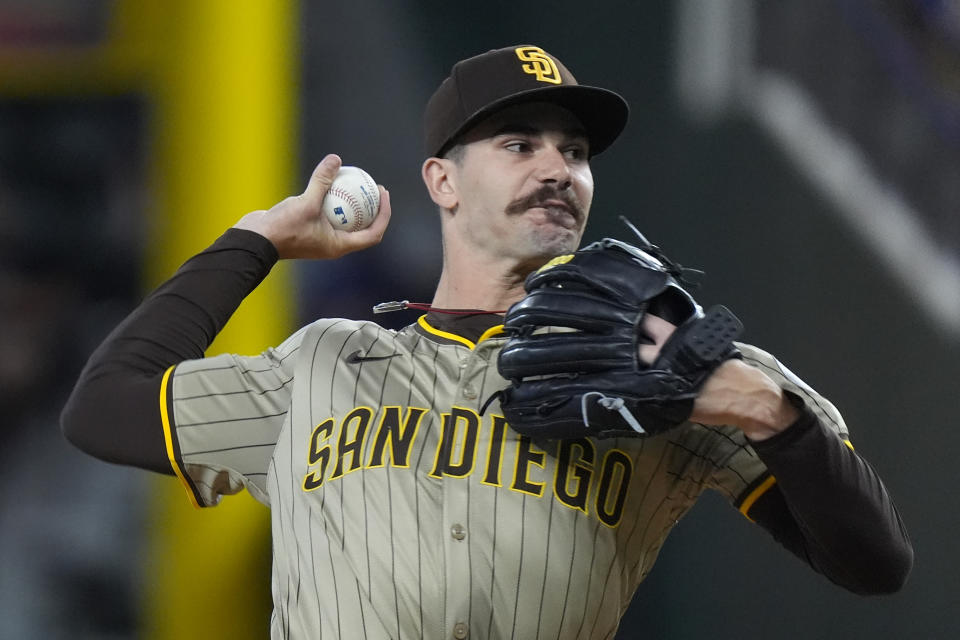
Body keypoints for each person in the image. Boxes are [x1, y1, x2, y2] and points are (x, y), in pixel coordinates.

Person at [62, 45, 912, 639]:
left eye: (575, 152)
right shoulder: (319, 364)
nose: (557, 169)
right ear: (442, 179)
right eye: (519, 144)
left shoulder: (665, 358)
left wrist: (766, 410)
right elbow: (102, 409)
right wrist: (255, 243)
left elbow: (874, 562)